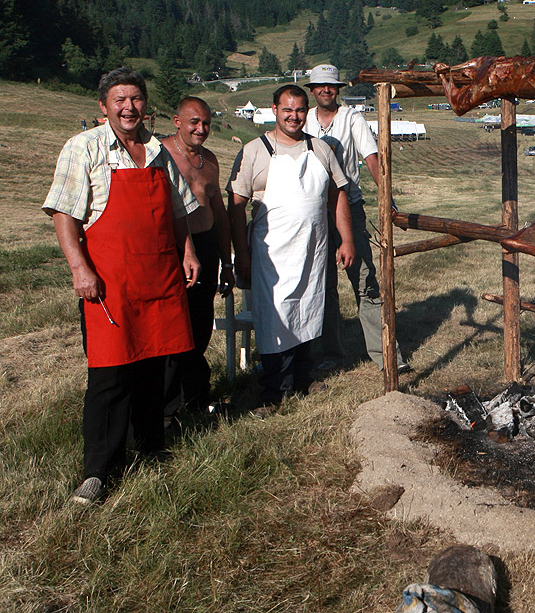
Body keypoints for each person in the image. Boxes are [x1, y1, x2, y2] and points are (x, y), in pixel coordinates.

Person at [43, 67, 201, 505]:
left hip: (158, 275)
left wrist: (188, 251)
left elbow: (178, 212)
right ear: (103, 106)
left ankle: (150, 448)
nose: (129, 107)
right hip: (109, 280)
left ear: (145, 104)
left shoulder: (157, 151)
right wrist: (80, 268)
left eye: (136, 99)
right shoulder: (84, 147)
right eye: (119, 100)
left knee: (154, 366)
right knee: (110, 375)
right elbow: (64, 215)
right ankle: (99, 470)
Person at [227, 85, 355, 414]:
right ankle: (273, 390)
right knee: (275, 317)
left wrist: (346, 238)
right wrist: (241, 253)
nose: (294, 116)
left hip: (313, 248)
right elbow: (237, 202)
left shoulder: (321, 149)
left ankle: (302, 376)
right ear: (274, 110)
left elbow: (338, 194)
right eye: (287, 110)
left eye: (299, 110)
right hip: (273, 253)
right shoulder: (255, 150)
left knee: (308, 310)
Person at [303, 64, 409, 372]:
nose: (326, 90)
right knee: (324, 283)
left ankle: (386, 356)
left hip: (349, 207)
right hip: (316, 210)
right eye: (320, 86)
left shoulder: (351, 118)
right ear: (312, 90)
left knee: (364, 280)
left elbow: (371, 158)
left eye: (331, 86)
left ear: (338, 90)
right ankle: (332, 355)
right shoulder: (304, 119)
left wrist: (387, 197)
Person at [162, 96, 235, 426]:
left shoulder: (210, 161)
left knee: (201, 323)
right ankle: (167, 404)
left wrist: (226, 260)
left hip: (205, 247)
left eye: (205, 123)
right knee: (172, 325)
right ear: (178, 122)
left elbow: (218, 212)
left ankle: (195, 396)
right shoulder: (159, 154)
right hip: (172, 250)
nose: (201, 129)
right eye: (194, 122)